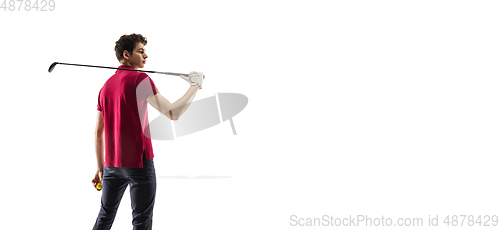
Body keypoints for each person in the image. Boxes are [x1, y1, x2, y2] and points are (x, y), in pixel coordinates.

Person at [91, 33, 203, 230]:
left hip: (111, 166)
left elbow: (97, 133)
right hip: (139, 164)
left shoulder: (105, 87)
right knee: (141, 221)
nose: (146, 56)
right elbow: (173, 113)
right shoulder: (140, 79)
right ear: (126, 54)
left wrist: (101, 168)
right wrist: (195, 86)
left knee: (105, 216)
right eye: (140, 51)